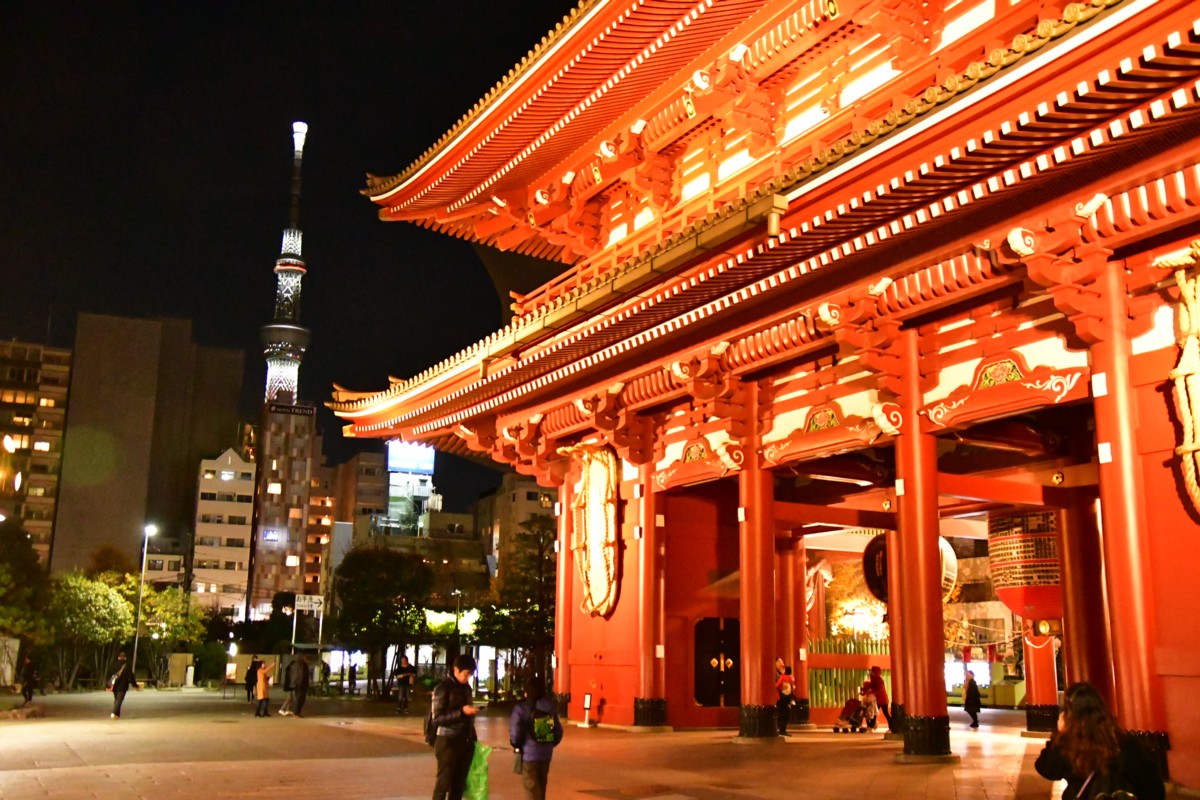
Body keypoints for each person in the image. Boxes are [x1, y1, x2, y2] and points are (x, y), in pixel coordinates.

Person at [1035, 682, 1165, 800]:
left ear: (1069, 715)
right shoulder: (1125, 743)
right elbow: (1153, 786)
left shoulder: (1068, 746)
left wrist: (1059, 733)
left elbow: (1046, 768)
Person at [430, 653, 479, 800]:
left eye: (470, 674)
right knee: (443, 783)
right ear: (456, 670)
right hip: (447, 741)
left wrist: (472, 738)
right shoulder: (442, 688)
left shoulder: (467, 689)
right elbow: (437, 718)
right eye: (466, 674)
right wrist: (461, 712)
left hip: (465, 741)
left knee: (458, 784)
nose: (468, 677)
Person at [509, 675, 563, 800]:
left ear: (527, 692)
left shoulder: (521, 708)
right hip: (546, 755)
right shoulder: (549, 707)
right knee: (541, 787)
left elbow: (516, 733)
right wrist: (549, 744)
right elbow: (558, 732)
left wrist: (516, 744)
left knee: (531, 790)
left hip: (528, 755)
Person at [108, 651, 137, 720]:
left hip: (114, 685)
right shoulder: (127, 666)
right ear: (125, 658)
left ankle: (117, 715)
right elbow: (131, 676)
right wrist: (134, 684)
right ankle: (114, 712)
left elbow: (109, 674)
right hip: (123, 686)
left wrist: (107, 684)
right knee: (119, 699)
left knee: (117, 699)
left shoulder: (113, 665)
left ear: (118, 657)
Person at [868, 665, 892, 731]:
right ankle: (871, 726)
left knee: (885, 714)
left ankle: (891, 726)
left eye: (872, 672)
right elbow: (870, 686)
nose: (871, 673)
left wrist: (872, 692)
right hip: (878, 700)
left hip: (882, 700)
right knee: (875, 714)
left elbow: (879, 690)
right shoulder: (874, 680)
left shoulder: (879, 680)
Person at [775, 665, 796, 736]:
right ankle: (783, 730)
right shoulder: (791, 678)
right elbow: (793, 687)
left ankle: (780, 730)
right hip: (788, 698)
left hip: (782, 698)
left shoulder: (782, 677)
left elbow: (777, 686)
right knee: (786, 714)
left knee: (781, 713)